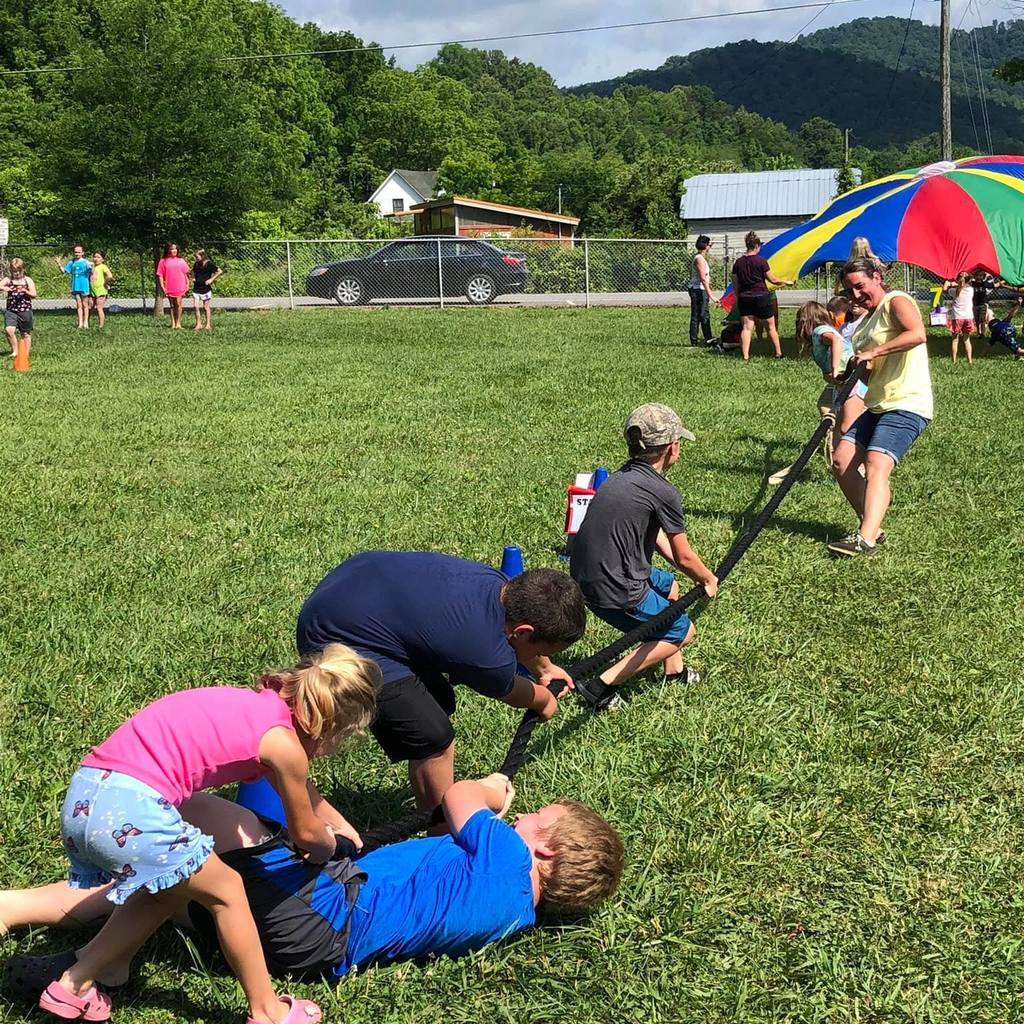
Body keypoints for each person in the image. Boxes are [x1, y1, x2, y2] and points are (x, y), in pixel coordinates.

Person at [2, 779, 624, 994]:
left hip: (319, 908)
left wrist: (492, 790)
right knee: (158, 884)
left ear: (548, 848)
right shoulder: (517, 913)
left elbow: (457, 796)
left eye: (537, 818)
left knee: (181, 813)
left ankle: (91, 959)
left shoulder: (510, 859)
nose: (524, 816)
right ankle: (47, 929)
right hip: (309, 944)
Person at [32, 644, 379, 1024]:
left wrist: (338, 821)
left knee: (170, 883)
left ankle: (97, 974)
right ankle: (267, 1010)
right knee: (228, 891)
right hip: (132, 811)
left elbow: (304, 797)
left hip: (87, 796)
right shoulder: (284, 746)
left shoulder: (252, 707)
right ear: (332, 729)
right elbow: (307, 834)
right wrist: (329, 845)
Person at [297, 553, 586, 812]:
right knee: (433, 737)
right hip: (337, 634)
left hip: (351, 585)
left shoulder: (500, 587)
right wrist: (544, 700)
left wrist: (544, 669)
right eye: (540, 653)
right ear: (523, 632)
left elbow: (522, 640)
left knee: (438, 701)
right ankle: (442, 829)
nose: (540, 658)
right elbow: (514, 692)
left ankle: (431, 799)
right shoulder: (484, 652)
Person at [569, 403, 718, 710]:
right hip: (613, 586)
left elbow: (661, 540)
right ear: (672, 448)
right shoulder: (663, 491)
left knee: (670, 587)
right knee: (682, 630)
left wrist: (688, 572)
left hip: (589, 574)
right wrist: (707, 578)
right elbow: (685, 556)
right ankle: (600, 686)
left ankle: (673, 672)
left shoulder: (622, 477)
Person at [828, 257, 932, 557]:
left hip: (906, 401)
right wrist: (849, 370)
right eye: (850, 290)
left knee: (876, 465)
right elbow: (872, 368)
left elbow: (917, 334)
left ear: (876, 277)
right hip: (876, 404)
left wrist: (874, 351)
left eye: (860, 286)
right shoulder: (863, 325)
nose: (856, 295)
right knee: (842, 460)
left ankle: (865, 538)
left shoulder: (895, 300)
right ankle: (874, 525)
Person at [732, 231, 792, 361]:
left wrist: (738, 296)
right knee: (770, 326)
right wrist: (786, 281)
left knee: (747, 328)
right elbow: (773, 280)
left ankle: (745, 356)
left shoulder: (738, 263)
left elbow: (735, 283)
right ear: (757, 246)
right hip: (761, 296)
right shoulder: (761, 261)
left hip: (744, 298)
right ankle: (778, 353)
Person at [1, 258, 37, 363]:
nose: (16, 273)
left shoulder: (27, 280)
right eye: (13, 271)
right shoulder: (8, 280)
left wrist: (25, 291)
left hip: (25, 310)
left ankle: (25, 353)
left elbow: (34, 294)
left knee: (25, 333)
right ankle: (15, 351)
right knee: (9, 330)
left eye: (18, 271)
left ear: (22, 269)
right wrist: (4, 288)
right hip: (11, 310)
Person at [687, 235, 718, 346]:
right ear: (705, 246)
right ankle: (694, 341)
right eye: (709, 245)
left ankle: (708, 339)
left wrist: (711, 242)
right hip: (697, 290)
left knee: (705, 315)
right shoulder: (699, 259)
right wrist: (711, 295)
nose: (710, 247)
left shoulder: (702, 257)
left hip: (701, 290)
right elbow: (703, 279)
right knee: (696, 315)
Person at [55, 245, 92, 329]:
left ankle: (86, 322)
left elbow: (91, 271)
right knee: (79, 305)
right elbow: (64, 271)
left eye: (79, 252)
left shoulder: (86, 262)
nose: (77, 254)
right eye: (75, 252)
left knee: (85, 305)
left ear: (82, 253)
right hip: (75, 286)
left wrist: (91, 267)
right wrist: (58, 263)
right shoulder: (71, 262)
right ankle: (80, 323)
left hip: (84, 286)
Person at [156, 243, 191, 329]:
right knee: (172, 305)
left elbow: (186, 273)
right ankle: (173, 323)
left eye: (175, 249)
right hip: (169, 285)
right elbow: (160, 275)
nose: (174, 251)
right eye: (172, 249)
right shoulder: (163, 261)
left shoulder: (181, 260)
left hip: (180, 284)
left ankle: (178, 323)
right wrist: (162, 286)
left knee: (178, 304)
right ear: (168, 250)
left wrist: (188, 284)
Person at [945, 272, 975, 365]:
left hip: (957, 317)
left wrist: (948, 283)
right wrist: (957, 284)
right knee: (966, 339)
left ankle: (954, 361)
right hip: (968, 317)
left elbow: (945, 290)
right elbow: (963, 285)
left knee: (955, 340)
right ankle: (969, 361)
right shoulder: (971, 290)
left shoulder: (954, 291)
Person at [192, 248, 223, 330]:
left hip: (205, 289)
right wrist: (194, 278)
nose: (196, 258)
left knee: (206, 307)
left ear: (202, 256)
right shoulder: (196, 264)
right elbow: (193, 272)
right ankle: (198, 324)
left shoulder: (209, 264)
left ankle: (208, 324)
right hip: (196, 288)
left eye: (197, 256)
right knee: (195, 306)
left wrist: (211, 279)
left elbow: (219, 271)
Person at [89, 252, 114, 329]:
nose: (96, 259)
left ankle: (101, 326)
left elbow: (110, 276)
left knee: (99, 308)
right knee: (90, 307)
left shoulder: (103, 267)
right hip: (91, 290)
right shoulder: (91, 267)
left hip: (101, 291)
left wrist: (106, 282)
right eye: (94, 257)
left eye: (98, 257)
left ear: (102, 259)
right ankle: (86, 323)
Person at [971, 270, 998, 339]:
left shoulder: (984, 284)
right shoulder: (972, 284)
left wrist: (1001, 282)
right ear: (974, 276)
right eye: (977, 275)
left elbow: (992, 286)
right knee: (976, 319)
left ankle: (982, 333)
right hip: (974, 304)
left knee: (982, 319)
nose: (978, 277)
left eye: (980, 276)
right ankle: (978, 332)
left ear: (983, 277)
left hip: (982, 305)